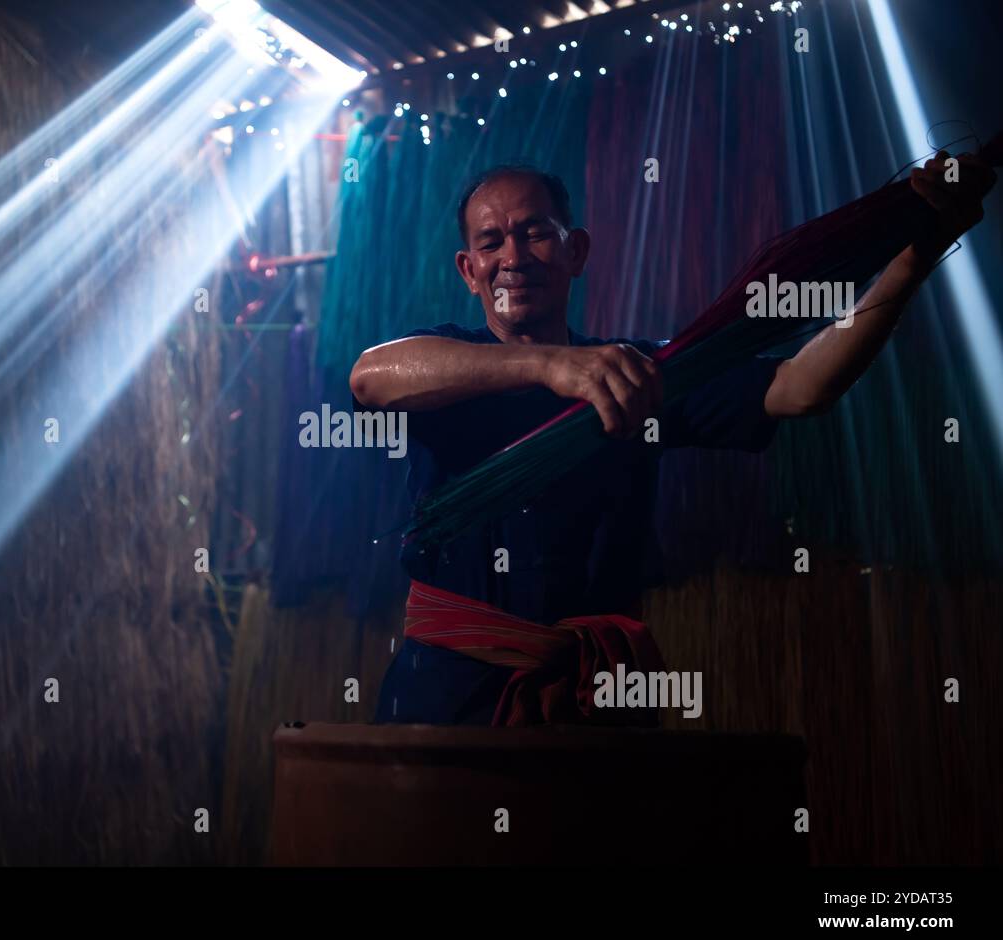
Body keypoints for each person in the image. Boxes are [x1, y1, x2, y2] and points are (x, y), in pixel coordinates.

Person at [349, 155, 995, 726]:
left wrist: (915, 257)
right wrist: (548, 365)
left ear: (577, 251)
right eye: (490, 243)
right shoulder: (447, 363)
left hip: (594, 695)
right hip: (448, 697)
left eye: (535, 232)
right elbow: (370, 378)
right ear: (468, 270)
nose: (512, 258)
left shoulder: (638, 373)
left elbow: (801, 386)